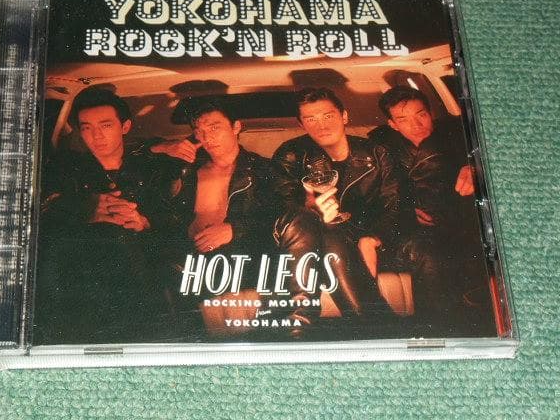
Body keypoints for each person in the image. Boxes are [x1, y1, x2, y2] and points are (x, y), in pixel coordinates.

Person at [34, 87, 173, 345]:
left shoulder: (153, 171)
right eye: (86, 128)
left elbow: (173, 229)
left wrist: (144, 223)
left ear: (125, 127)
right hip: (83, 289)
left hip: (140, 288)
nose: (96, 135)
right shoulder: (64, 168)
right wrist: (83, 208)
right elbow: (40, 221)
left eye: (106, 125)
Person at [271, 88, 401, 337]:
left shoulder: (376, 153)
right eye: (311, 119)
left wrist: (373, 239)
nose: (321, 125)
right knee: (328, 234)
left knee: (333, 238)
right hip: (312, 242)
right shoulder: (291, 155)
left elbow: (394, 206)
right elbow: (281, 208)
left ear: (344, 116)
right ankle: (374, 328)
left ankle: (300, 326)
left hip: (362, 237)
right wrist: (309, 207)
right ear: (301, 124)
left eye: (328, 116)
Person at [369, 85, 495, 335]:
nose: (416, 125)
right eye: (403, 119)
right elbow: (378, 194)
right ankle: (440, 327)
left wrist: (474, 166)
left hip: (460, 219)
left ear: (431, 113)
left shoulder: (459, 135)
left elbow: (492, 154)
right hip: (411, 228)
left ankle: (478, 316)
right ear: (392, 124)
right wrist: (407, 210)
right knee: (428, 252)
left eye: (421, 115)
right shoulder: (379, 148)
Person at [157, 99, 276, 338]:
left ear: (236, 127)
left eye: (214, 128)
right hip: (188, 258)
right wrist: (164, 147)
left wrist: (234, 229)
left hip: (241, 257)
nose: (207, 137)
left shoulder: (264, 169)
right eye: (199, 131)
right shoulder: (186, 170)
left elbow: (282, 219)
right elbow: (133, 153)